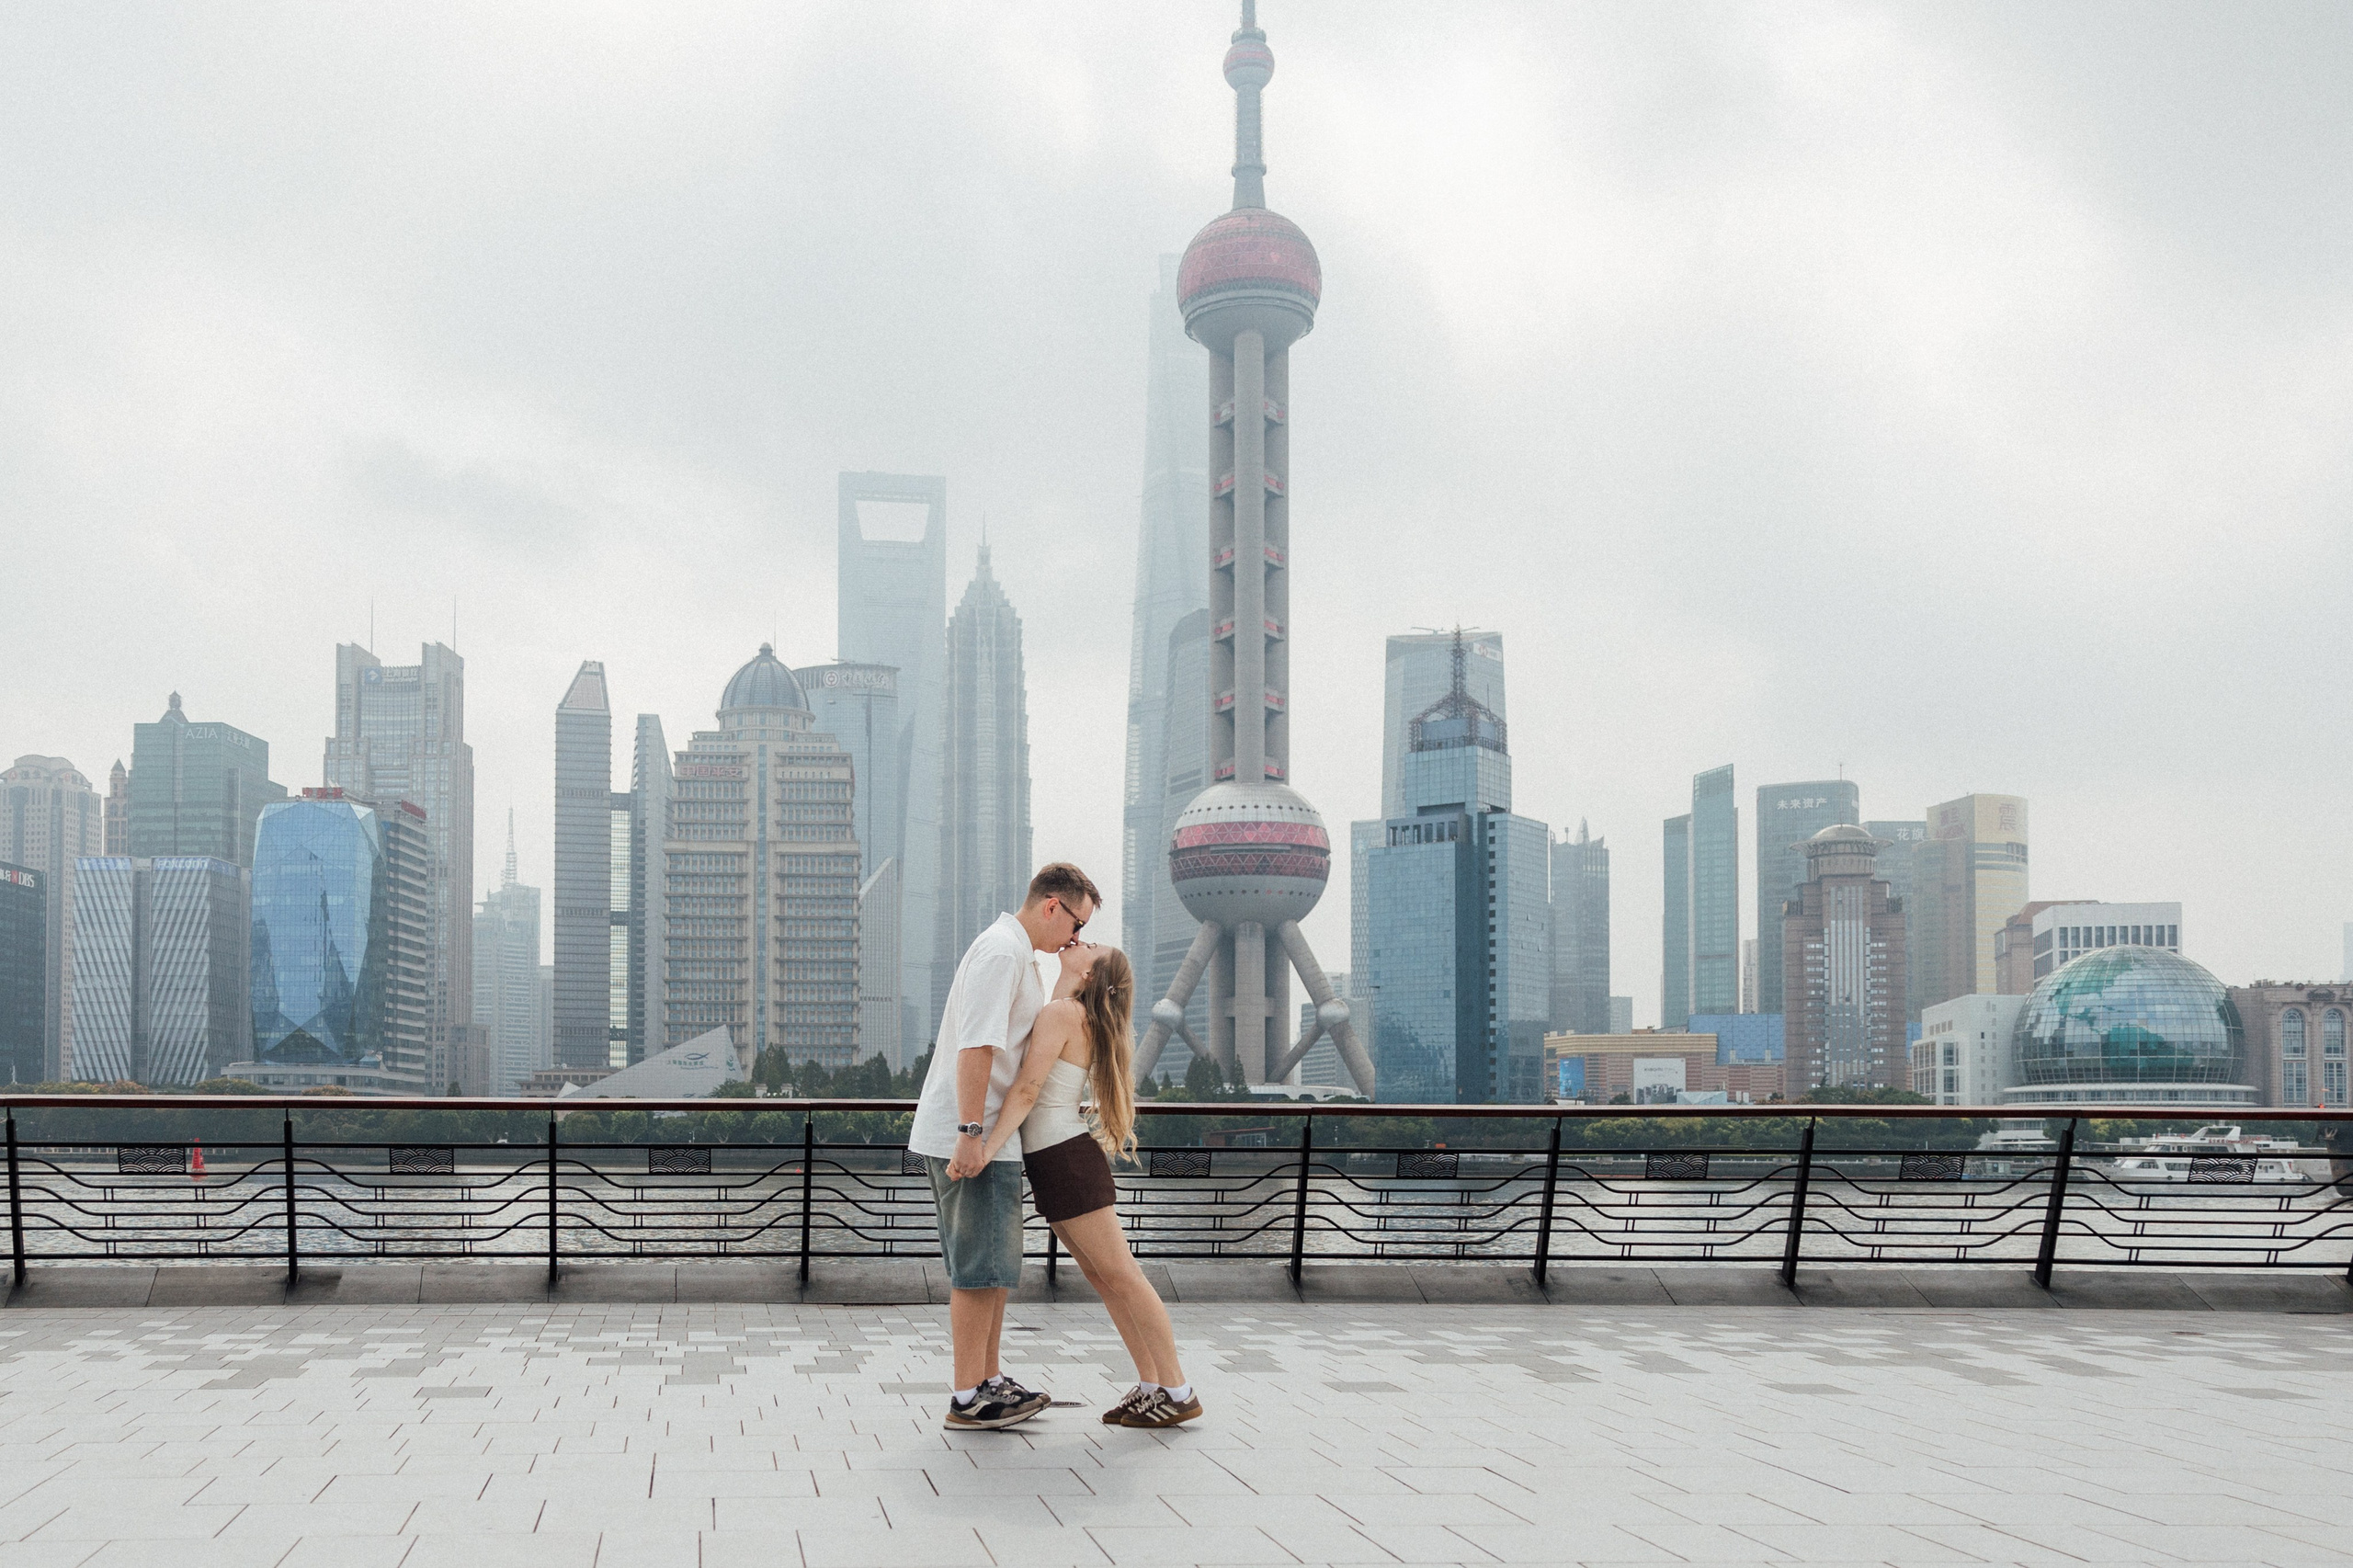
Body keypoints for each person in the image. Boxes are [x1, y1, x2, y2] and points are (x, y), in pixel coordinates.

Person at [906, 861, 1099, 1431]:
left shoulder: (1016, 954)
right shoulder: (1002, 952)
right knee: (977, 1268)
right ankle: (968, 1396)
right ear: (1051, 906)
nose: (1076, 938)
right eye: (1075, 924)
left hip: (992, 1135)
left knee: (993, 1265)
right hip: (976, 1134)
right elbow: (978, 1047)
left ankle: (987, 1381)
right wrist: (970, 1134)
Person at [979, 940, 1200, 1428]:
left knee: (1123, 1276)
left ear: (1093, 973)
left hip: (1065, 1160)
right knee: (1105, 1281)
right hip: (1056, 1161)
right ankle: (1151, 1386)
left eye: (1092, 946)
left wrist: (985, 1146)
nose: (1083, 939)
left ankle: (1178, 1390)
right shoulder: (1069, 1011)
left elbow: (1028, 1088)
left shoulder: (1064, 1014)